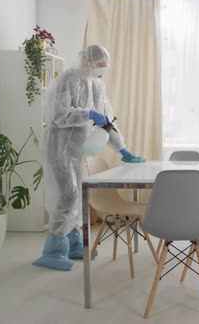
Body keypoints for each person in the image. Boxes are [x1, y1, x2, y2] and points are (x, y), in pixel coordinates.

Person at [33, 44, 143, 271]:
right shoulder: (66, 80)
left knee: (77, 197)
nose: (102, 69)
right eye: (99, 64)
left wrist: (123, 150)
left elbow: (105, 122)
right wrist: (88, 113)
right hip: (59, 147)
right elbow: (59, 115)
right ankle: (52, 249)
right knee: (66, 195)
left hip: (77, 149)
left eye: (104, 66)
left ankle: (73, 243)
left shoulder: (97, 85)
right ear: (87, 61)